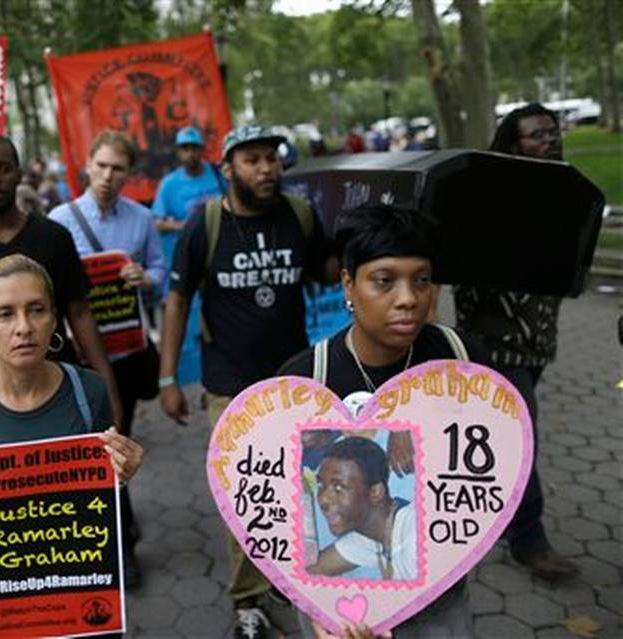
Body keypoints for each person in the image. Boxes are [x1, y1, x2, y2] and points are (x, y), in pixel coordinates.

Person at [279, 203, 491, 638]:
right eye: (384, 281)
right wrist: (317, 607)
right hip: (337, 615)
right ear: (348, 285)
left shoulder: (464, 364)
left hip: (439, 605)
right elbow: (272, 517)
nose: (409, 297)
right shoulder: (303, 381)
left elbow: (496, 470)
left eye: (422, 280)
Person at [159, 124, 337, 639]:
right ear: (228, 169)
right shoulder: (206, 223)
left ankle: (292, 576)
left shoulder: (299, 215)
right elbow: (176, 299)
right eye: (253, 160)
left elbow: (327, 271)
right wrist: (168, 376)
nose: (266, 169)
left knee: (300, 490)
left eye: (272, 159)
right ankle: (248, 603)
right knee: (248, 497)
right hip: (230, 386)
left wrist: (358, 237)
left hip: (296, 381)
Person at [0, 254, 144, 639]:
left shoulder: (88, 391)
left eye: (36, 310)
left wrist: (123, 473)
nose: (23, 328)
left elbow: (97, 493)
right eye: (5, 314)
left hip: (83, 599)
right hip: (4, 599)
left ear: (54, 318)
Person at [453, 102, 578, 583]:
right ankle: (529, 539)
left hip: (539, 340)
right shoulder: (486, 198)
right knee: (523, 434)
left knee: (507, 436)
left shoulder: (565, 191)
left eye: (552, 132)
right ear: (512, 144)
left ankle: (495, 514)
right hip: (494, 344)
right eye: (536, 134)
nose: (549, 139)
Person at [0, 134, 123, 428]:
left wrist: (108, 389)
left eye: (3, 168)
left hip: (64, 393)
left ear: (18, 174)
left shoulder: (55, 237)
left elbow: (80, 313)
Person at [48, 129, 165, 587]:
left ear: (129, 174)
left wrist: (145, 277)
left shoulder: (141, 219)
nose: (108, 176)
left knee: (117, 439)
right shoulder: (59, 221)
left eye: (118, 168)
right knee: (98, 446)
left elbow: (159, 268)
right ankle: (120, 542)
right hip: (78, 355)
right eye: (101, 166)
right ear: (87, 166)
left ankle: (121, 530)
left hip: (128, 351)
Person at [307, 438, 417, 581]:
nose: (323, 499)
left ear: (375, 492)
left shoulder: (414, 537)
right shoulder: (370, 537)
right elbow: (313, 569)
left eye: (339, 487)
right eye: (321, 485)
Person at [152, 126, 225, 268]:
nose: (190, 153)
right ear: (178, 152)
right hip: (186, 258)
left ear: (202, 150)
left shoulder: (218, 174)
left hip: (218, 252)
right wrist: (183, 226)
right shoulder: (169, 184)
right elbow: (156, 224)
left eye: (194, 148)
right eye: (185, 149)